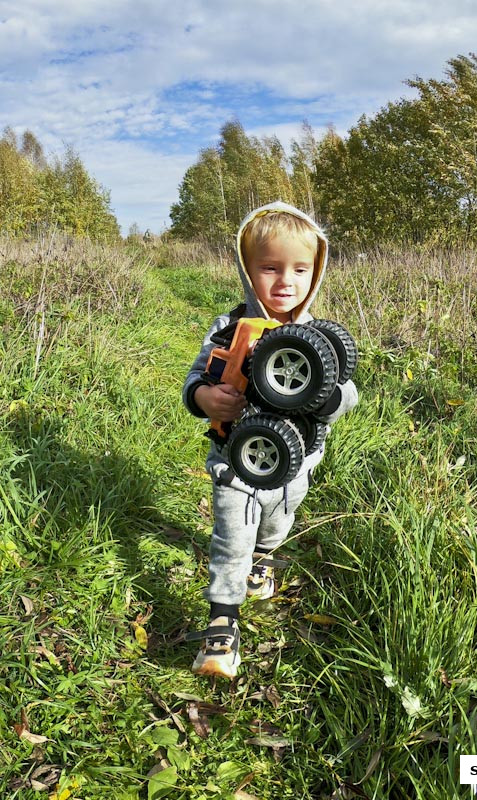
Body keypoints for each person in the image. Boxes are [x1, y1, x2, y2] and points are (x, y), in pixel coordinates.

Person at [182, 201, 359, 678]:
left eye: (300, 269)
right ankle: (222, 623)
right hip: (236, 459)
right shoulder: (228, 326)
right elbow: (195, 377)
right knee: (231, 536)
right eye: (270, 268)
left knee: (277, 521)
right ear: (246, 269)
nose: (286, 281)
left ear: (315, 273)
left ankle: (264, 560)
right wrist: (205, 398)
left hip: (296, 462)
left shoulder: (318, 337)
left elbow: (350, 392)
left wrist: (328, 399)